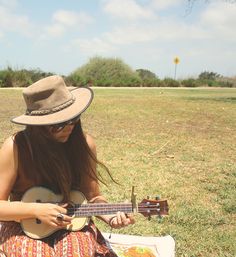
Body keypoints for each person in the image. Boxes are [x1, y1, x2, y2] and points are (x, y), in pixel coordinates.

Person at [0, 75, 134, 257]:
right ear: (38, 125)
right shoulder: (15, 146)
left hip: (73, 225)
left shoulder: (84, 143)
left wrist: (111, 216)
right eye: (59, 123)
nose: (70, 126)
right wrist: (36, 210)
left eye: (73, 118)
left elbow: (93, 196)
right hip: (23, 225)